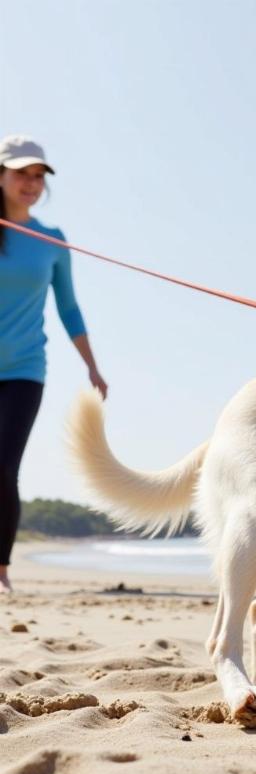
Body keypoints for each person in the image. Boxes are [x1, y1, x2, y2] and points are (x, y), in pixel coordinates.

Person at [0, 134, 107, 593]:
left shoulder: (51, 240)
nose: (31, 183)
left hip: (25, 369)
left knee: (4, 467)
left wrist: (91, 366)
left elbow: (69, 308)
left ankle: (0, 568)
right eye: (21, 173)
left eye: (38, 175)